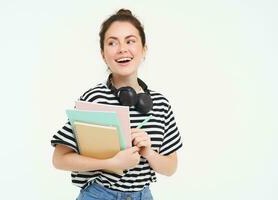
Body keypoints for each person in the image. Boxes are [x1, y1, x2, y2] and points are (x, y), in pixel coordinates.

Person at [50, 8, 183, 200]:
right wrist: (112, 162)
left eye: (130, 41)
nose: (122, 49)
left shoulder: (160, 104)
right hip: (99, 194)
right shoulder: (94, 98)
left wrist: (149, 152)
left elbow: (171, 167)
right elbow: (60, 159)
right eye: (112, 43)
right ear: (103, 54)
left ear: (144, 49)